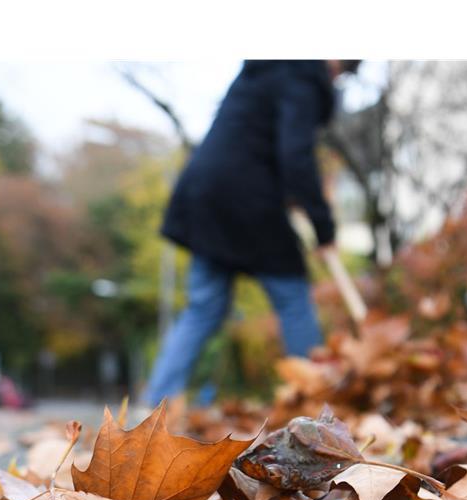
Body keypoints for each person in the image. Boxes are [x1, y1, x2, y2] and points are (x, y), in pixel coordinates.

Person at [141, 59, 360, 408]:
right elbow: (295, 156)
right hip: (248, 198)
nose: (337, 78)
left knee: (203, 308)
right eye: (344, 69)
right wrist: (324, 228)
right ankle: (318, 404)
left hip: (206, 192)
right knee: (292, 297)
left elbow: (257, 141)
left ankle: (152, 406)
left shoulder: (262, 70)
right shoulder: (302, 74)